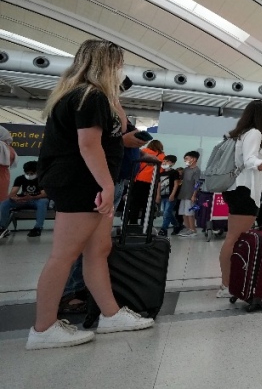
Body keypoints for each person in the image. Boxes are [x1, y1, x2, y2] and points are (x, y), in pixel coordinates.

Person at [28, 39, 154, 350]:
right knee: (64, 255)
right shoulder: (89, 95)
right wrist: (108, 187)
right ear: (108, 65)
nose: (120, 71)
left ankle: (110, 314)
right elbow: (87, 145)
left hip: (88, 181)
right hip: (82, 182)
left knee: (98, 250)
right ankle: (43, 329)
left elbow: (113, 137)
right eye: (117, 65)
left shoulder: (90, 96)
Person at [216, 100, 262, 299]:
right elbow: (250, 161)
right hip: (244, 191)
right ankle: (226, 285)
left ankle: (229, 283)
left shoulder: (243, 133)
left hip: (237, 189)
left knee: (234, 238)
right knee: (234, 239)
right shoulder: (254, 132)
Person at [1, 160, 49, 238]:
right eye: (27, 173)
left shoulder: (42, 178)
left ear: (37, 172)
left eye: (32, 173)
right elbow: (12, 193)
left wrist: (31, 197)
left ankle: (38, 228)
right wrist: (16, 198)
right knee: (5, 203)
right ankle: (2, 228)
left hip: (37, 200)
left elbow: (44, 194)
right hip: (23, 200)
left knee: (43, 202)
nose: (29, 175)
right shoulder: (20, 178)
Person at [124, 139, 164, 225]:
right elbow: (161, 170)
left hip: (138, 180)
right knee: (148, 205)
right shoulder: (162, 156)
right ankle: (145, 225)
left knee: (135, 204)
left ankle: (132, 223)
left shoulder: (144, 152)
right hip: (152, 182)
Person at [177, 151, 202, 237]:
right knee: (183, 212)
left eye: (187, 158)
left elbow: (197, 183)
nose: (185, 160)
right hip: (183, 194)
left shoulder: (196, 170)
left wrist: (194, 195)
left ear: (194, 159)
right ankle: (188, 228)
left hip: (190, 195)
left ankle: (192, 229)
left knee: (189, 213)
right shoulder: (186, 169)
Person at [156, 155, 180, 237]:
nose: (164, 162)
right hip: (163, 195)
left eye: (167, 161)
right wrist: (158, 195)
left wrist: (173, 194)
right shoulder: (161, 173)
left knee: (166, 212)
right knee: (167, 212)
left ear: (172, 163)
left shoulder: (174, 172)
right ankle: (177, 225)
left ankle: (164, 229)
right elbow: (159, 185)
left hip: (171, 195)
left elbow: (176, 184)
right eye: (164, 161)